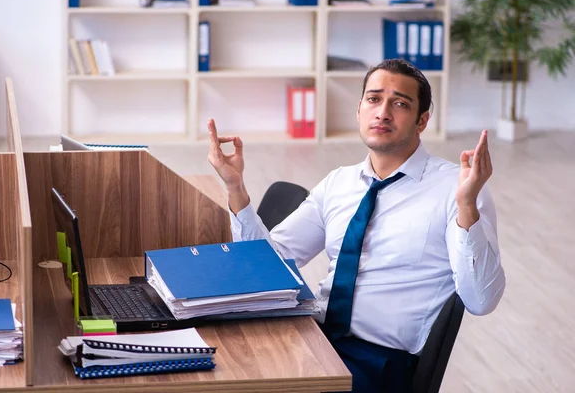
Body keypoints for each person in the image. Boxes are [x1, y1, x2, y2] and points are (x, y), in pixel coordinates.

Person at [206, 58, 506, 393]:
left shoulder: (459, 188)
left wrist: (467, 205)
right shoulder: (339, 182)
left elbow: (481, 300)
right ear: (359, 109)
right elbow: (267, 265)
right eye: (374, 99)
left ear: (422, 121)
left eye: (400, 103)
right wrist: (235, 187)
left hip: (379, 363)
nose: (383, 113)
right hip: (314, 334)